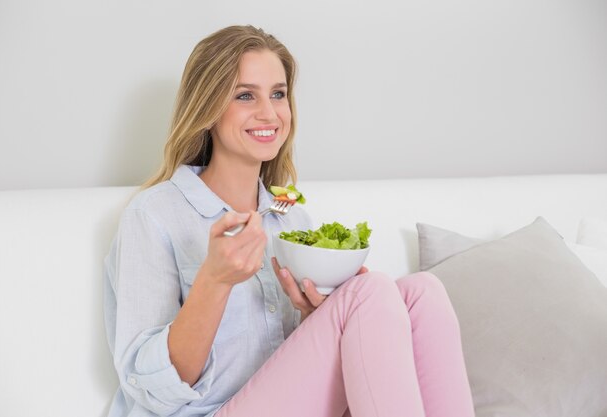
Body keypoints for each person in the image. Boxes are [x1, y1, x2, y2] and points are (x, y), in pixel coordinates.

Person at [104, 25, 475, 417]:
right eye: (245, 95)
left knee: (423, 292)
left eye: (278, 94)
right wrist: (214, 282)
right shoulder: (155, 215)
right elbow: (151, 393)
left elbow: (292, 373)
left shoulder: (290, 218)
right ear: (207, 108)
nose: (269, 113)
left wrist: (314, 317)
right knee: (371, 291)